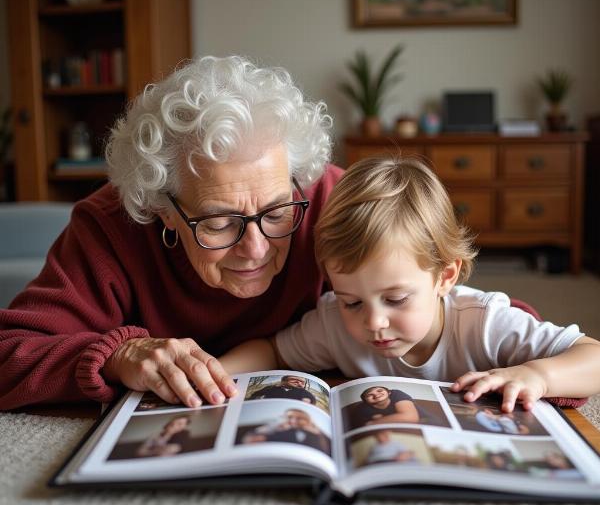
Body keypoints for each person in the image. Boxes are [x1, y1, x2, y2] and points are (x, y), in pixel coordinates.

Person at [0, 56, 342, 411]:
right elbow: (9, 355)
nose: (255, 248)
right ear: (164, 211)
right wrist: (117, 355)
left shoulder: (334, 200)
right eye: (220, 223)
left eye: (276, 212)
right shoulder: (110, 227)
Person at [219, 156, 600, 413]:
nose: (374, 322)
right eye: (352, 301)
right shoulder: (334, 323)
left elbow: (593, 357)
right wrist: (215, 374)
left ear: (445, 277)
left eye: (396, 299)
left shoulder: (484, 325)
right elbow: (272, 352)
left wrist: (538, 375)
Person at [241, 408, 330, 453]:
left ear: (308, 420)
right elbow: (249, 440)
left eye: (299, 418)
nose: (292, 421)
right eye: (289, 417)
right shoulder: (279, 428)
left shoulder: (320, 434)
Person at [346, 385, 419, 430]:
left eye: (379, 390)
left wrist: (373, 422)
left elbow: (410, 417)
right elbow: (360, 428)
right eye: (369, 395)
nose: (376, 395)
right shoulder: (361, 409)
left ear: (389, 393)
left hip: (423, 422)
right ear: (365, 401)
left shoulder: (396, 394)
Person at [249, 375, 316, 404]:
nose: (298, 382)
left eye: (302, 382)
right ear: (284, 381)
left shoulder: (304, 392)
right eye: (294, 380)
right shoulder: (271, 388)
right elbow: (255, 396)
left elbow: (310, 400)